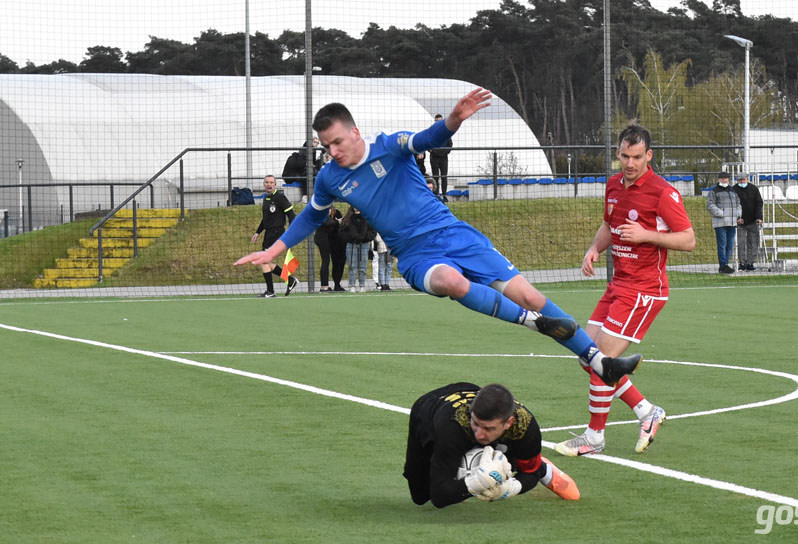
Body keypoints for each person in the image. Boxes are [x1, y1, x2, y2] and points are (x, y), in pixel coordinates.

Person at [234, 88, 640, 385]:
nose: (333, 151)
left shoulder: (389, 146)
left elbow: (426, 140)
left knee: (532, 296)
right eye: (326, 146)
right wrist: (275, 247)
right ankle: (536, 326)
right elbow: (309, 217)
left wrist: (454, 119)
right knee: (452, 282)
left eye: (337, 142)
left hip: (454, 233)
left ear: (355, 132)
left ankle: (599, 361)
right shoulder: (330, 177)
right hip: (413, 255)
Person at [554, 124, 696, 457]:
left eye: (636, 157)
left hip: (645, 289)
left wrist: (648, 235)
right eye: (624, 156)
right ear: (617, 154)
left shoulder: (663, 192)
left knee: (602, 359)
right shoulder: (614, 185)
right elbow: (609, 224)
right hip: (618, 285)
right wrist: (594, 249)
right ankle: (647, 412)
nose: (629, 163)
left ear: (649, 156)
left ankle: (594, 437)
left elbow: (688, 240)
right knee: (587, 357)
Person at [404, 382, 580, 508]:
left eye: (488, 428)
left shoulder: (525, 426)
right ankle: (502, 458)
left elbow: (531, 475)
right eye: (476, 423)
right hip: (427, 411)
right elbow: (438, 496)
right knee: (421, 496)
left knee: (528, 465)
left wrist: (510, 488)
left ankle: (541, 464)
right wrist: (475, 484)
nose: (480, 433)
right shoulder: (452, 427)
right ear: (472, 412)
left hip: (483, 423)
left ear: (509, 422)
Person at [250, 175, 298, 297]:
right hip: (269, 233)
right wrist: (258, 232)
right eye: (266, 182)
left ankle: (270, 291)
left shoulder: (280, 197)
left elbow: (291, 214)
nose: (269, 184)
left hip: (277, 232)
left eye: (271, 182)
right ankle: (290, 280)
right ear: (264, 184)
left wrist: (292, 232)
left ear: (275, 184)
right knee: (266, 262)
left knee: (263, 260)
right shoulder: (266, 198)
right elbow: (265, 219)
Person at [706, 171, 741, 274]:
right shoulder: (714, 191)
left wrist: (738, 214)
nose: (724, 180)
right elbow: (709, 205)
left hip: (732, 222)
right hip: (720, 222)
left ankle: (725, 264)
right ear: (719, 179)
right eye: (722, 178)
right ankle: (722, 265)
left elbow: (738, 204)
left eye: (726, 178)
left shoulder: (733, 191)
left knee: (729, 245)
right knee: (722, 244)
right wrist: (721, 213)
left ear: (728, 179)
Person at [338, 205, 376, 292]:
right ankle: (352, 285)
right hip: (351, 244)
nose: (356, 208)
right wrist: (350, 237)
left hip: (364, 244)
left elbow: (373, 231)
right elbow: (341, 232)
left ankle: (362, 285)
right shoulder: (347, 218)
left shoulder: (368, 218)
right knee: (352, 265)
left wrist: (365, 237)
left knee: (363, 265)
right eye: (355, 206)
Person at [734, 174, 763, 271]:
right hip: (740, 222)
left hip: (753, 221)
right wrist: (737, 218)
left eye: (744, 180)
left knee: (753, 242)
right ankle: (742, 263)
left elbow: (759, 203)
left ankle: (750, 263)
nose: (742, 182)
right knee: (741, 243)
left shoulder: (754, 189)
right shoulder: (733, 190)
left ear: (747, 179)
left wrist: (759, 217)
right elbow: (732, 206)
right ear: (737, 180)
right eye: (740, 180)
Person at [313, 205, 344, 292]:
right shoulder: (321, 212)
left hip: (330, 239)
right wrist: (338, 222)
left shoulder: (335, 212)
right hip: (322, 239)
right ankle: (324, 286)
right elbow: (327, 222)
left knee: (333, 261)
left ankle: (333, 285)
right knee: (325, 261)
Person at [429, 114, 452, 202]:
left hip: (444, 158)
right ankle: (437, 195)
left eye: (440, 121)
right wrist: (432, 151)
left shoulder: (447, 132)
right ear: (434, 122)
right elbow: (427, 143)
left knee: (444, 177)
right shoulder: (431, 131)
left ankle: (444, 195)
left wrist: (444, 152)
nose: (438, 122)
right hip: (434, 158)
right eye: (437, 121)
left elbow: (450, 145)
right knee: (435, 177)